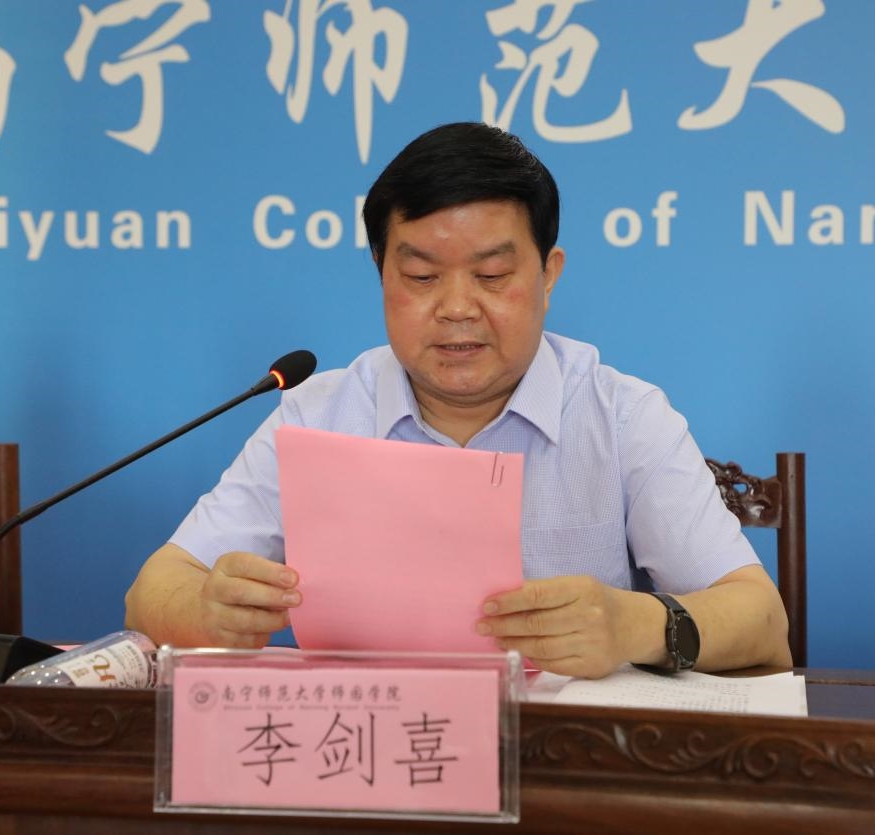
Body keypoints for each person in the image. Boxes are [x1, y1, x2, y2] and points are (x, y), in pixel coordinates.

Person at [125, 122, 791, 678]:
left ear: (548, 274)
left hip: (565, 764)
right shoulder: (317, 415)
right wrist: (204, 611)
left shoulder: (622, 417)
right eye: (421, 276)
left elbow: (762, 620)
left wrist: (634, 624)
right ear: (382, 274)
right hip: (364, 760)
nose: (456, 307)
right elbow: (152, 590)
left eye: (492, 274)